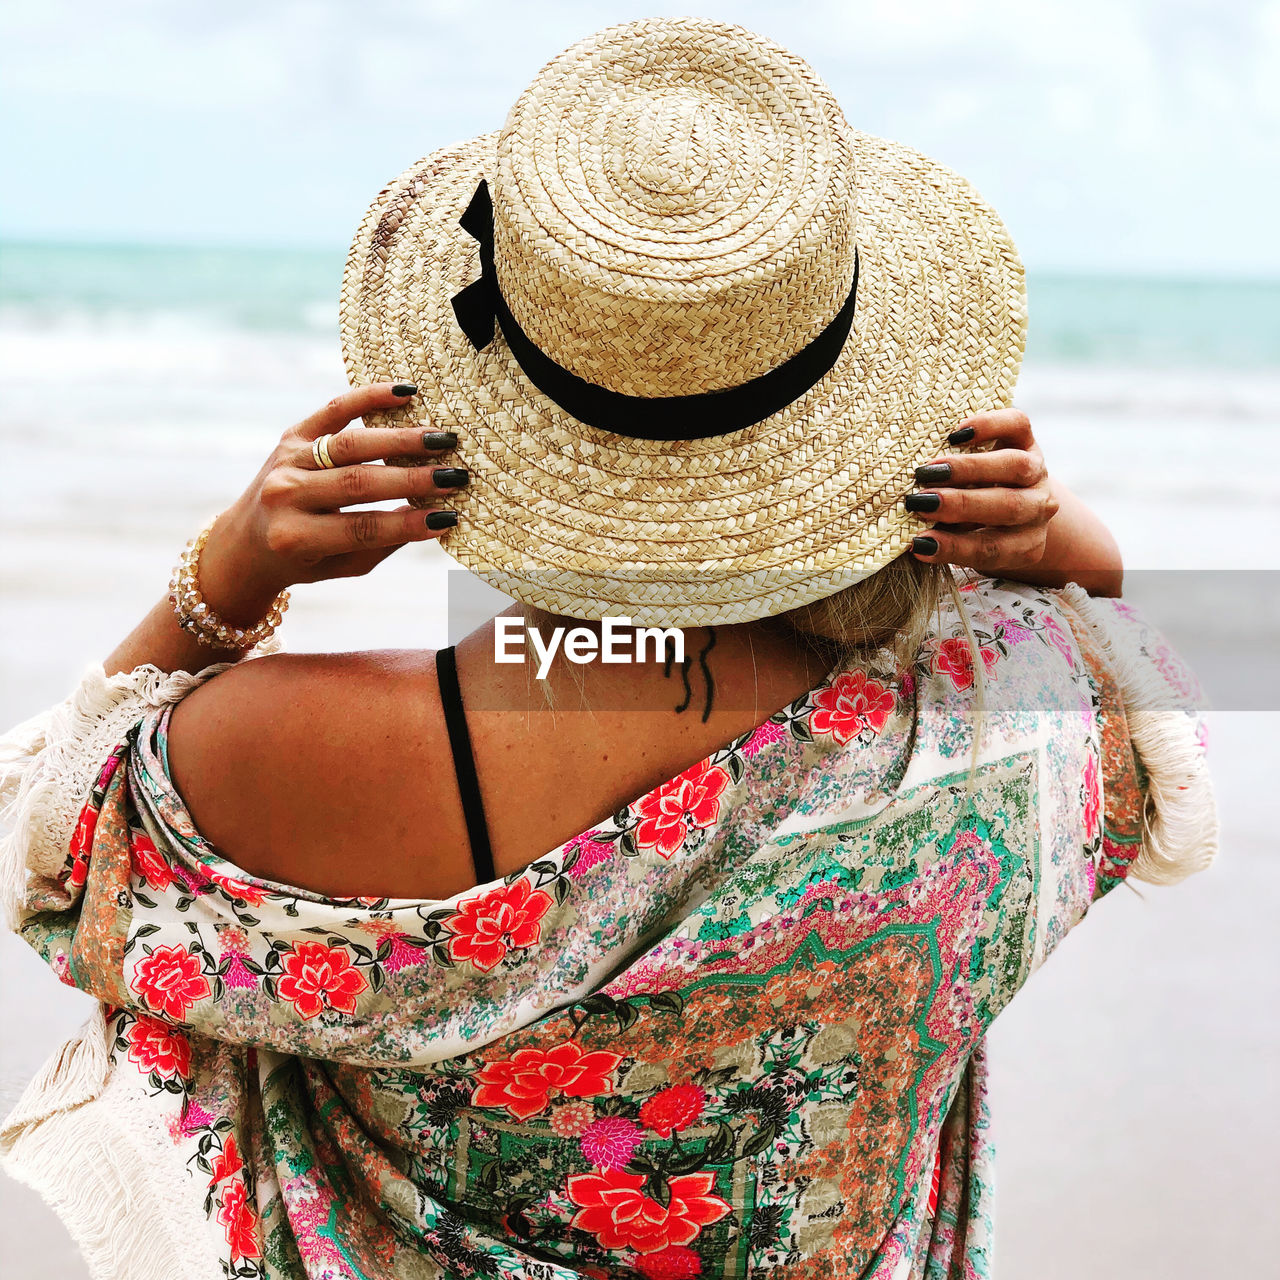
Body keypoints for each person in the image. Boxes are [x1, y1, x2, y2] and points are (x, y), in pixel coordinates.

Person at [0, 18, 1215, 1280]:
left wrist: (221, 583)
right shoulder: (1002, 713)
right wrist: (1080, 557)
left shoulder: (269, 746)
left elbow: (43, 838)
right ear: (864, 394)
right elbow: (1159, 715)